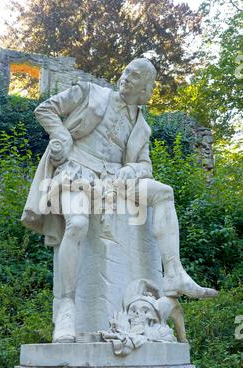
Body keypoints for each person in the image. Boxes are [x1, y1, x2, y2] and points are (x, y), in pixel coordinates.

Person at [21, 58, 218, 343]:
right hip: (77, 170)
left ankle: (174, 273)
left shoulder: (142, 128)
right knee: (76, 224)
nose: (126, 76)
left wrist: (132, 169)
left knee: (164, 192)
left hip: (115, 180)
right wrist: (62, 134)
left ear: (146, 90)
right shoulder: (90, 92)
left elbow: (146, 166)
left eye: (135, 75)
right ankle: (67, 307)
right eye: (126, 71)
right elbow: (46, 108)